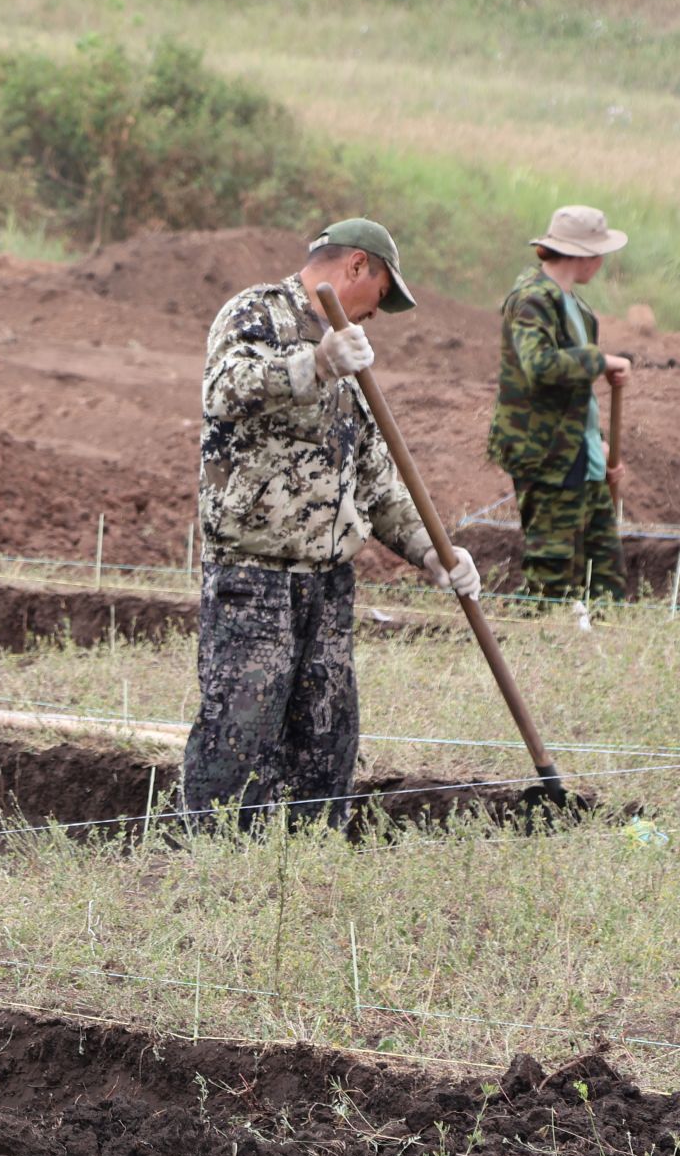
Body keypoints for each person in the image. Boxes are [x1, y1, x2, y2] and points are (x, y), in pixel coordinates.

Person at [186, 219, 480, 831]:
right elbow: (223, 390)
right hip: (255, 575)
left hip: (327, 581)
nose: (377, 314)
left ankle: (309, 872)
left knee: (325, 742)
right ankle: (213, 873)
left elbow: (373, 474)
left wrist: (434, 551)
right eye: (380, 294)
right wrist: (314, 363)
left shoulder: (351, 355)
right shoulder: (259, 313)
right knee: (239, 734)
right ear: (355, 268)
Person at [486, 205, 633, 600]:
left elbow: (575, 393)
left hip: (578, 455)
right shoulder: (532, 300)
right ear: (583, 255)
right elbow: (540, 365)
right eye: (599, 253)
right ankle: (534, 648)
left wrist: (597, 446)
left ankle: (599, 653)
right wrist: (599, 361)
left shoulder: (578, 309)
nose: (601, 262)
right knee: (552, 578)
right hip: (546, 457)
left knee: (606, 579)